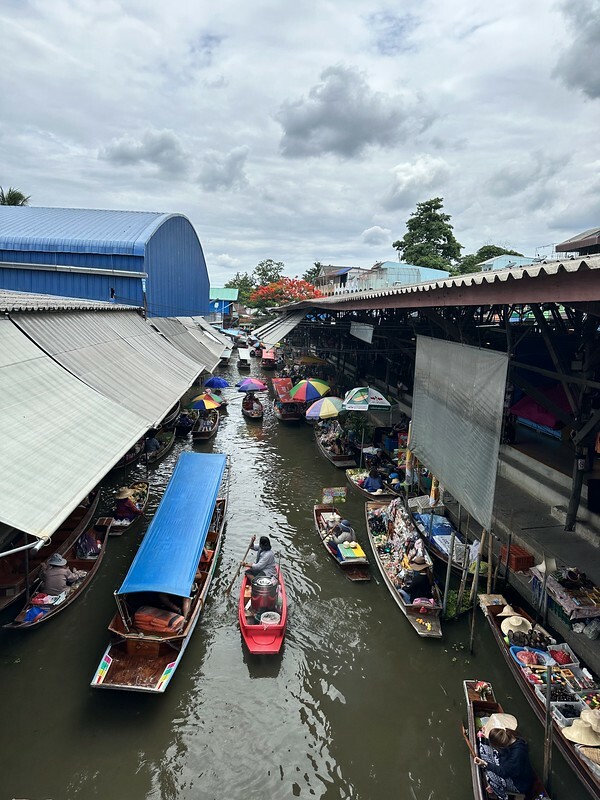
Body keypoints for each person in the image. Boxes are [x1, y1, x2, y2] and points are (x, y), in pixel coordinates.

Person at [474, 716, 535, 797]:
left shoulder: (517, 754)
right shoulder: (513, 737)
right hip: (511, 767)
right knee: (485, 750)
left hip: (519, 784)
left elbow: (504, 772)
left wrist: (485, 763)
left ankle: (500, 794)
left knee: (490, 774)